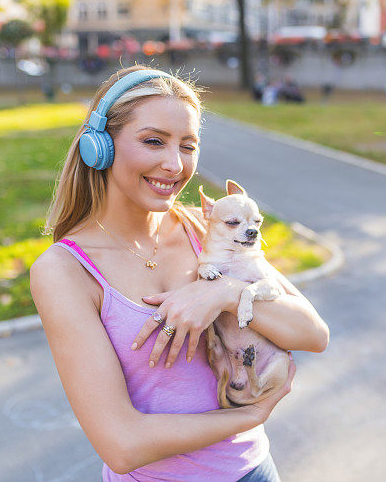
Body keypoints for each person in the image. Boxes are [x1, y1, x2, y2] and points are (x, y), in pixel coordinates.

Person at [29, 66, 329, 481]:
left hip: (256, 472)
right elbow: (122, 444)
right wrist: (250, 417)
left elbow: (312, 334)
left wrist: (224, 294)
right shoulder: (64, 271)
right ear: (99, 146)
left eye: (188, 146)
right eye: (153, 141)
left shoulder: (208, 232)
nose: (174, 164)